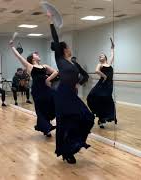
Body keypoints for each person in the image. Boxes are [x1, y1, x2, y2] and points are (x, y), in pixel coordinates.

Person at [48, 12, 94, 164]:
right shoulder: (60, 60)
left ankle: (73, 144)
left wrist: (78, 83)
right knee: (64, 123)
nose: (69, 48)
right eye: (68, 47)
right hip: (62, 95)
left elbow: (82, 76)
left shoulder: (73, 63)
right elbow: (56, 39)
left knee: (87, 117)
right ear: (64, 49)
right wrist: (51, 21)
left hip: (72, 95)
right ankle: (66, 152)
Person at [10, 41, 58, 137]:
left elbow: (56, 72)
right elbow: (19, 57)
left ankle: (47, 126)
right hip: (38, 91)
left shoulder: (44, 66)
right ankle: (46, 129)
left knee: (54, 104)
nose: (37, 54)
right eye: (35, 54)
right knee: (41, 110)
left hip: (47, 89)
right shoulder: (30, 66)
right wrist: (12, 47)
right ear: (32, 59)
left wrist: (48, 78)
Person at [87, 39, 117, 129]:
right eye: (99, 56)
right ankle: (100, 118)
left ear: (105, 57)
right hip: (102, 84)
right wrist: (104, 76)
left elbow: (112, 54)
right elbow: (96, 71)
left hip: (109, 85)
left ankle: (102, 118)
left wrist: (112, 48)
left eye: (102, 56)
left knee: (107, 100)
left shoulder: (109, 63)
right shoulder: (99, 64)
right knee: (93, 97)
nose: (101, 57)